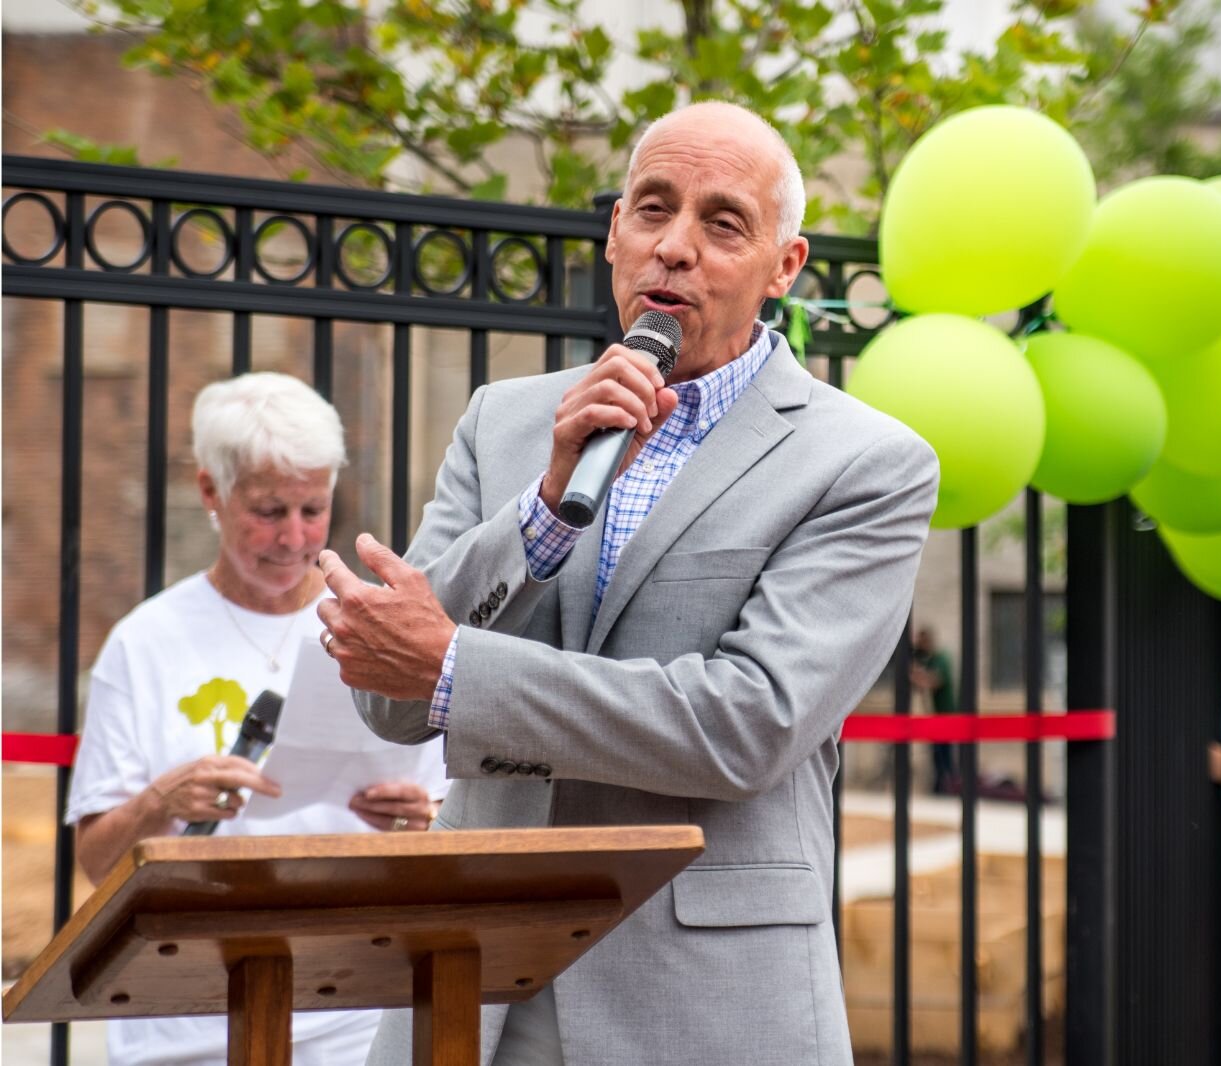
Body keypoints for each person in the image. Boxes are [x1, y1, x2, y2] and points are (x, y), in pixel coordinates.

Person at [315, 101, 938, 1066]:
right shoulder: (506, 423)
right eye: (652, 209)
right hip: (475, 985)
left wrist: (456, 669)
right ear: (614, 233)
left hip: (704, 1001)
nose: (675, 247)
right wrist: (543, 509)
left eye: (722, 223)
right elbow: (389, 695)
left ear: (786, 266)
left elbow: (749, 724)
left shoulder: (865, 463)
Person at [65, 371, 447, 1066]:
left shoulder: (381, 630)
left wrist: (422, 819)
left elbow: (456, 817)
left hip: (357, 1017)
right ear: (211, 490)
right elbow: (95, 861)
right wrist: (163, 802)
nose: (294, 537)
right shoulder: (145, 641)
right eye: (269, 510)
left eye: (314, 508)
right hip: (185, 1028)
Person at [910, 626, 959, 793]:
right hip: (936, 715)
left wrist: (914, 674)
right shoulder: (930, 660)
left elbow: (935, 681)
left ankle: (949, 786)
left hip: (946, 715)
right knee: (937, 754)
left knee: (945, 753)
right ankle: (940, 786)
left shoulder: (941, 658)